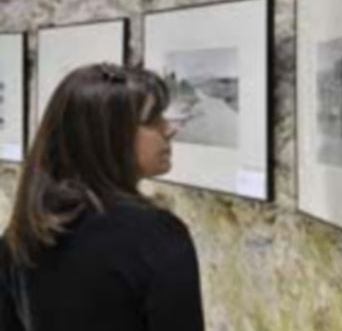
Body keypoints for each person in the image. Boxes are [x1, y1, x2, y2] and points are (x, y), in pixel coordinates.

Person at [0, 64, 203, 331]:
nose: (169, 129)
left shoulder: (26, 231)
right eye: (152, 121)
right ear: (107, 133)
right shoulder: (154, 235)